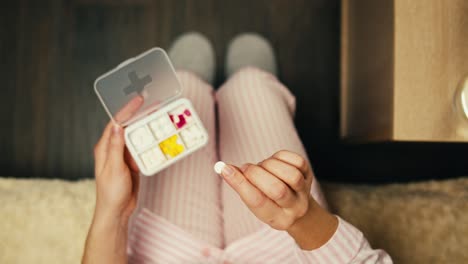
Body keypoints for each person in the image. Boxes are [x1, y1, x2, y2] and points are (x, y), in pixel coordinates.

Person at [82, 32, 392, 263]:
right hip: (285, 250)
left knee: (185, 94)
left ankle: (192, 79)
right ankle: (249, 80)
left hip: (165, 251)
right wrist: (302, 218)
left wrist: (114, 212)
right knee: (251, 88)